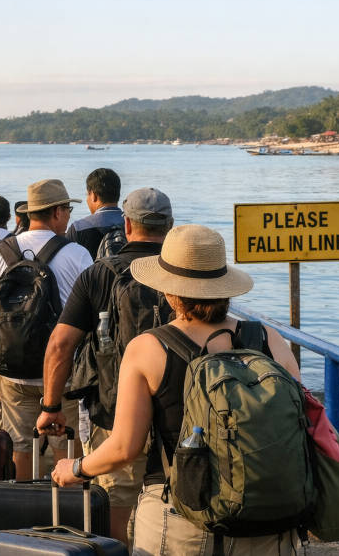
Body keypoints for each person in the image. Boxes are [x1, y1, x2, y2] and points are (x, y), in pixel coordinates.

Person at [50, 225, 302, 555]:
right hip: (267, 515)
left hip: (181, 520)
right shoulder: (269, 339)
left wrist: (76, 468)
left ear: (170, 293)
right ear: (224, 287)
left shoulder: (149, 348)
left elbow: (125, 447)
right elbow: (304, 419)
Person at [37, 187, 173, 545]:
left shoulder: (99, 274)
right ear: (171, 227)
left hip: (113, 416)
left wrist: (51, 406)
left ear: (126, 225)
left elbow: (60, 344)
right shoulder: (185, 275)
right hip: (179, 420)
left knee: (114, 515)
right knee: (174, 515)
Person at [0, 179, 93, 479]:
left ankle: (23, 509)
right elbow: (91, 319)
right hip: (63, 374)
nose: (68, 216)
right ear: (56, 212)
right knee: (65, 448)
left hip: (11, 371)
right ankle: (64, 512)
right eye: (67, 210)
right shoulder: (78, 255)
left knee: (19, 447)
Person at [67, 168, 124, 258]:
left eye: (87, 194)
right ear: (118, 194)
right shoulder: (132, 224)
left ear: (93, 195)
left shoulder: (78, 228)